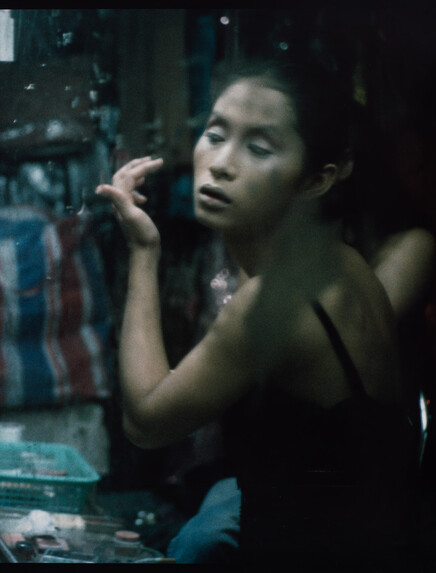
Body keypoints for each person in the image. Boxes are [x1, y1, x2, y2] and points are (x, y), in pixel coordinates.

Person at [96, 56, 417, 566]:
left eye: (259, 148)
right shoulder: (343, 263)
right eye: (216, 134)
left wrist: (143, 252)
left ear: (317, 179)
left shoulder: (274, 306)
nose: (222, 162)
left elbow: (145, 421)